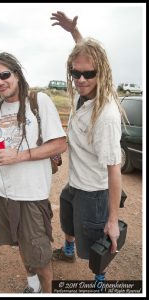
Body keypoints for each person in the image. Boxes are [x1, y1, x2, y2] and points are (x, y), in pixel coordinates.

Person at [50, 11, 127, 285]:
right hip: (75, 184)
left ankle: (100, 279)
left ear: (101, 72)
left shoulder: (105, 116)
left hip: (94, 192)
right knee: (68, 220)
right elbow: (87, 56)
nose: (80, 79)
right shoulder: (84, 92)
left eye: (88, 74)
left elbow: (114, 170)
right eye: (75, 73)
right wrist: (74, 33)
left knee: (95, 242)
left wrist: (112, 220)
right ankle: (68, 250)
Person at [0, 51, 67, 293]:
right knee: (20, 242)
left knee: (40, 254)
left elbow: (60, 144)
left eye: (4, 75)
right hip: (2, 190)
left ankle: (47, 289)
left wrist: (17, 156)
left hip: (30, 195)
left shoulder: (38, 101)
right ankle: (32, 284)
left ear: (17, 74)